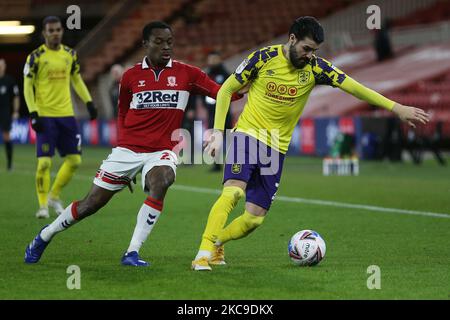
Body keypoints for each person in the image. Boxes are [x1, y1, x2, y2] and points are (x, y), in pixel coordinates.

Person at [192, 16, 430, 271]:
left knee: (253, 219)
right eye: (306, 49)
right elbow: (226, 90)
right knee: (234, 192)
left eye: (314, 51)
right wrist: (218, 132)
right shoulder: (262, 58)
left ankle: (218, 242)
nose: (309, 55)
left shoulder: (317, 68)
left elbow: (354, 88)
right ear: (292, 39)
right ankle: (203, 254)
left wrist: (396, 107)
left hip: (276, 147)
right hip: (247, 135)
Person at [24, 21, 243, 267]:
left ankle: (132, 252)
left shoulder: (187, 74)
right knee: (90, 204)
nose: (165, 47)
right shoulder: (130, 77)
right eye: (159, 42)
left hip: (162, 150)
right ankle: (45, 235)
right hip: (128, 150)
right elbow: (122, 113)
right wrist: (124, 148)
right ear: (145, 44)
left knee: (162, 181)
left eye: (169, 42)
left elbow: (224, 92)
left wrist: (246, 79)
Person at [23, 16, 97, 219]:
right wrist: (33, 112)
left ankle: (54, 196)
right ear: (44, 33)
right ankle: (42, 206)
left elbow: (77, 79)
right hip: (45, 115)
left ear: (61, 31)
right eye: (51, 30)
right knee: (45, 163)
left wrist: (89, 102)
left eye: (58, 30)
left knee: (74, 160)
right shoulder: (36, 57)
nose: (55, 33)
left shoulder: (70, 55)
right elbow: (28, 86)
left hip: (67, 115)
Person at [203, 51, 233, 172]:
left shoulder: (225, 74)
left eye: (215, 59)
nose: (212, 62)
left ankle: (233, 164)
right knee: (214, 139)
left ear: (219, 60)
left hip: (225, 113)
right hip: (212, 113)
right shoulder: (207, 75)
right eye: (211, 59)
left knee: (229, 139)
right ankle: (217, 164)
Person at [0, 58, 20, 171]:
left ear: (5, 66)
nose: (0, 67)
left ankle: (9, 164)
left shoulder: (9, 80)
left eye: (2, 65)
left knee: (6, 136)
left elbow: (16, 97)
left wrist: (16, 111)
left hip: (5, 112)